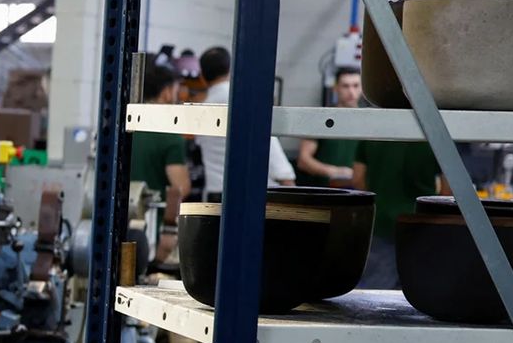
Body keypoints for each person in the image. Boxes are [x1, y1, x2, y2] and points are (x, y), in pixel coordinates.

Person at [194, 46, 296, 201]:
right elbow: (267, 145)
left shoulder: (201, 111)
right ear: (230, 70)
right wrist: (288, 182)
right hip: (249, 197)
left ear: (202, 76)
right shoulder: (245, 100)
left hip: (215, 196)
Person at [352, 140, 444, 289]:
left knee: (376, 291)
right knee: (420, 289)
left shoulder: (371, 135)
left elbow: (357, 178)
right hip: (421, 224)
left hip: (380, 222)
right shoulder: (435, 138)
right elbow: (448, 190)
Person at [132, 60, 190, 263]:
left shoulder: (127, 129)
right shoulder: (170, 136)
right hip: (153, 233)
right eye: (176, 91)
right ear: (166, 92)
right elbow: (180, 188)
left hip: (117, 226)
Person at [294, 68, 362, 187]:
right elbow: (303, 160)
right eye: (345, 86)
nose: (351, 92)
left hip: (360, 192)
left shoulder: (369, 122)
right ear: (335, 88)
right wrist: (335, 172)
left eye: (356, 86)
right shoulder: (321, 118)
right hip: (325, 191)